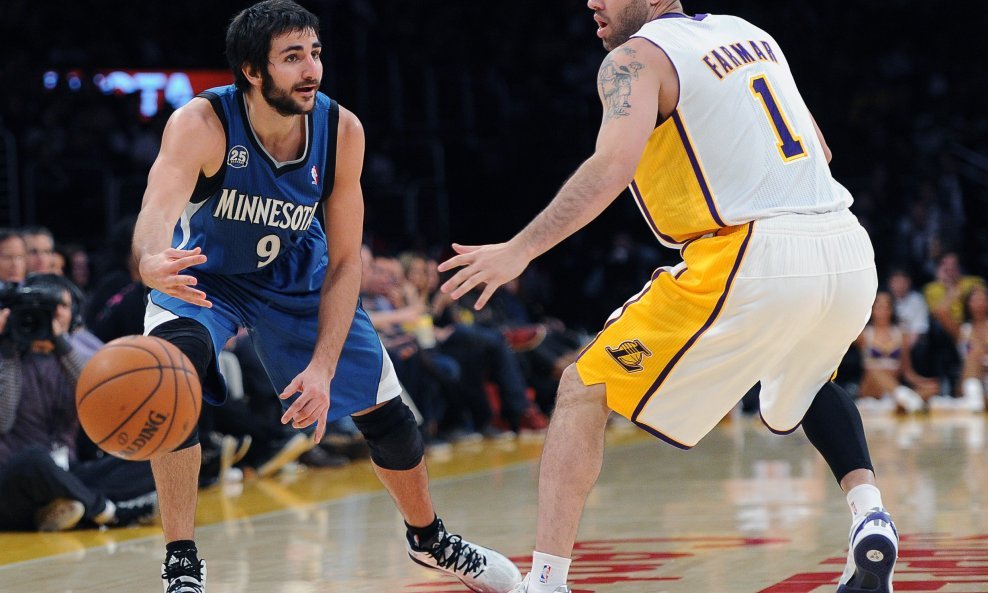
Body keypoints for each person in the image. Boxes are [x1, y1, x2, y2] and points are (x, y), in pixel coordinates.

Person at [439, 2, 899, 592]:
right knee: (804, 380)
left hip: (751, 252)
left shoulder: (634, 59)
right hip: (847, 247)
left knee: (584, 387)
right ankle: (869, 514)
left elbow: (610, 167)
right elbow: (823, 153)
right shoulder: (751, 34)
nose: (591, 2)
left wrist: (520, 249)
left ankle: (545, 583)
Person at [132, 2, 519, 592]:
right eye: (292, 58)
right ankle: (182, 562)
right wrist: (150, 261)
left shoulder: (342, 132)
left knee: (391, 421)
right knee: (173, 379)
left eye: (315, 53)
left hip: (297, 272)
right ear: (252, 71)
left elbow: (344, 264)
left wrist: (322, 367)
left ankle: (430, 539)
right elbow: (156, 211)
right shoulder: (202, 123)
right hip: (204, 273)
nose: (311, 69)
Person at [0, 273, 157, 531]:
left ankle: (67, 508)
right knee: (35, 460)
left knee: (154, 450)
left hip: (70, 473)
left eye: (59, 306)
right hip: (15, 481)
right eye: (41, 308)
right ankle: (108, 512)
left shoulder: (72, 356)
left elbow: (106, 402)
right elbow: (3, 422)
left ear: (73, 314)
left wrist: (61, 345)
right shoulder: (7, 355)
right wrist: (7, 350)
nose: (51, 314)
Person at [854, 291, 937, 413]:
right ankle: (904, 398)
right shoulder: (863, 334)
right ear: (872, 308)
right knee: (875, 370)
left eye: (887, 306)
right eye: (879, 306)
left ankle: (902, 401)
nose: (883, 310)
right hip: (870, 388)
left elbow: (907, 372)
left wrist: (924, 382)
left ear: (892, 309)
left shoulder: (901, 334)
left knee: (933, 388)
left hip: (892, 387)